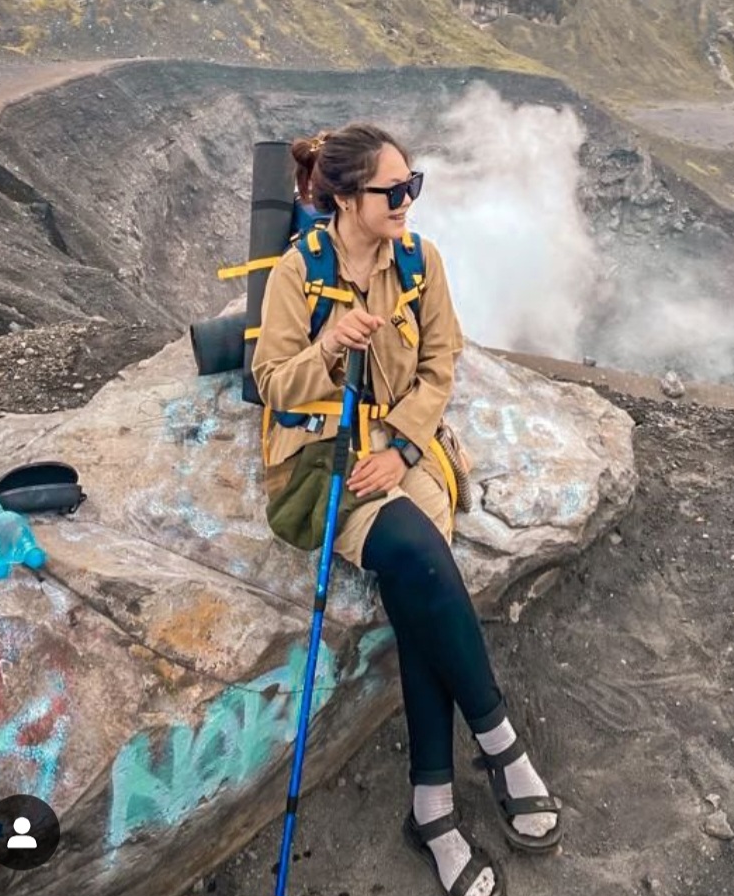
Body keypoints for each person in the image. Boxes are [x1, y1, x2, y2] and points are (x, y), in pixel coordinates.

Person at [252, 123, 562, 896]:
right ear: (349, 200)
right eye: (395, 191)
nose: (408, 201)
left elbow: (439, 362)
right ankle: (500, 747)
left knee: (419, 592)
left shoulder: (421, 262)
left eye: (411, 185)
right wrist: (325, 347)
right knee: (423, 562)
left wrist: (399, 440)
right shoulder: (302, 271)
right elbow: (272, 383)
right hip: (329, 464)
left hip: (403, 451)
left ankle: (432, 808)